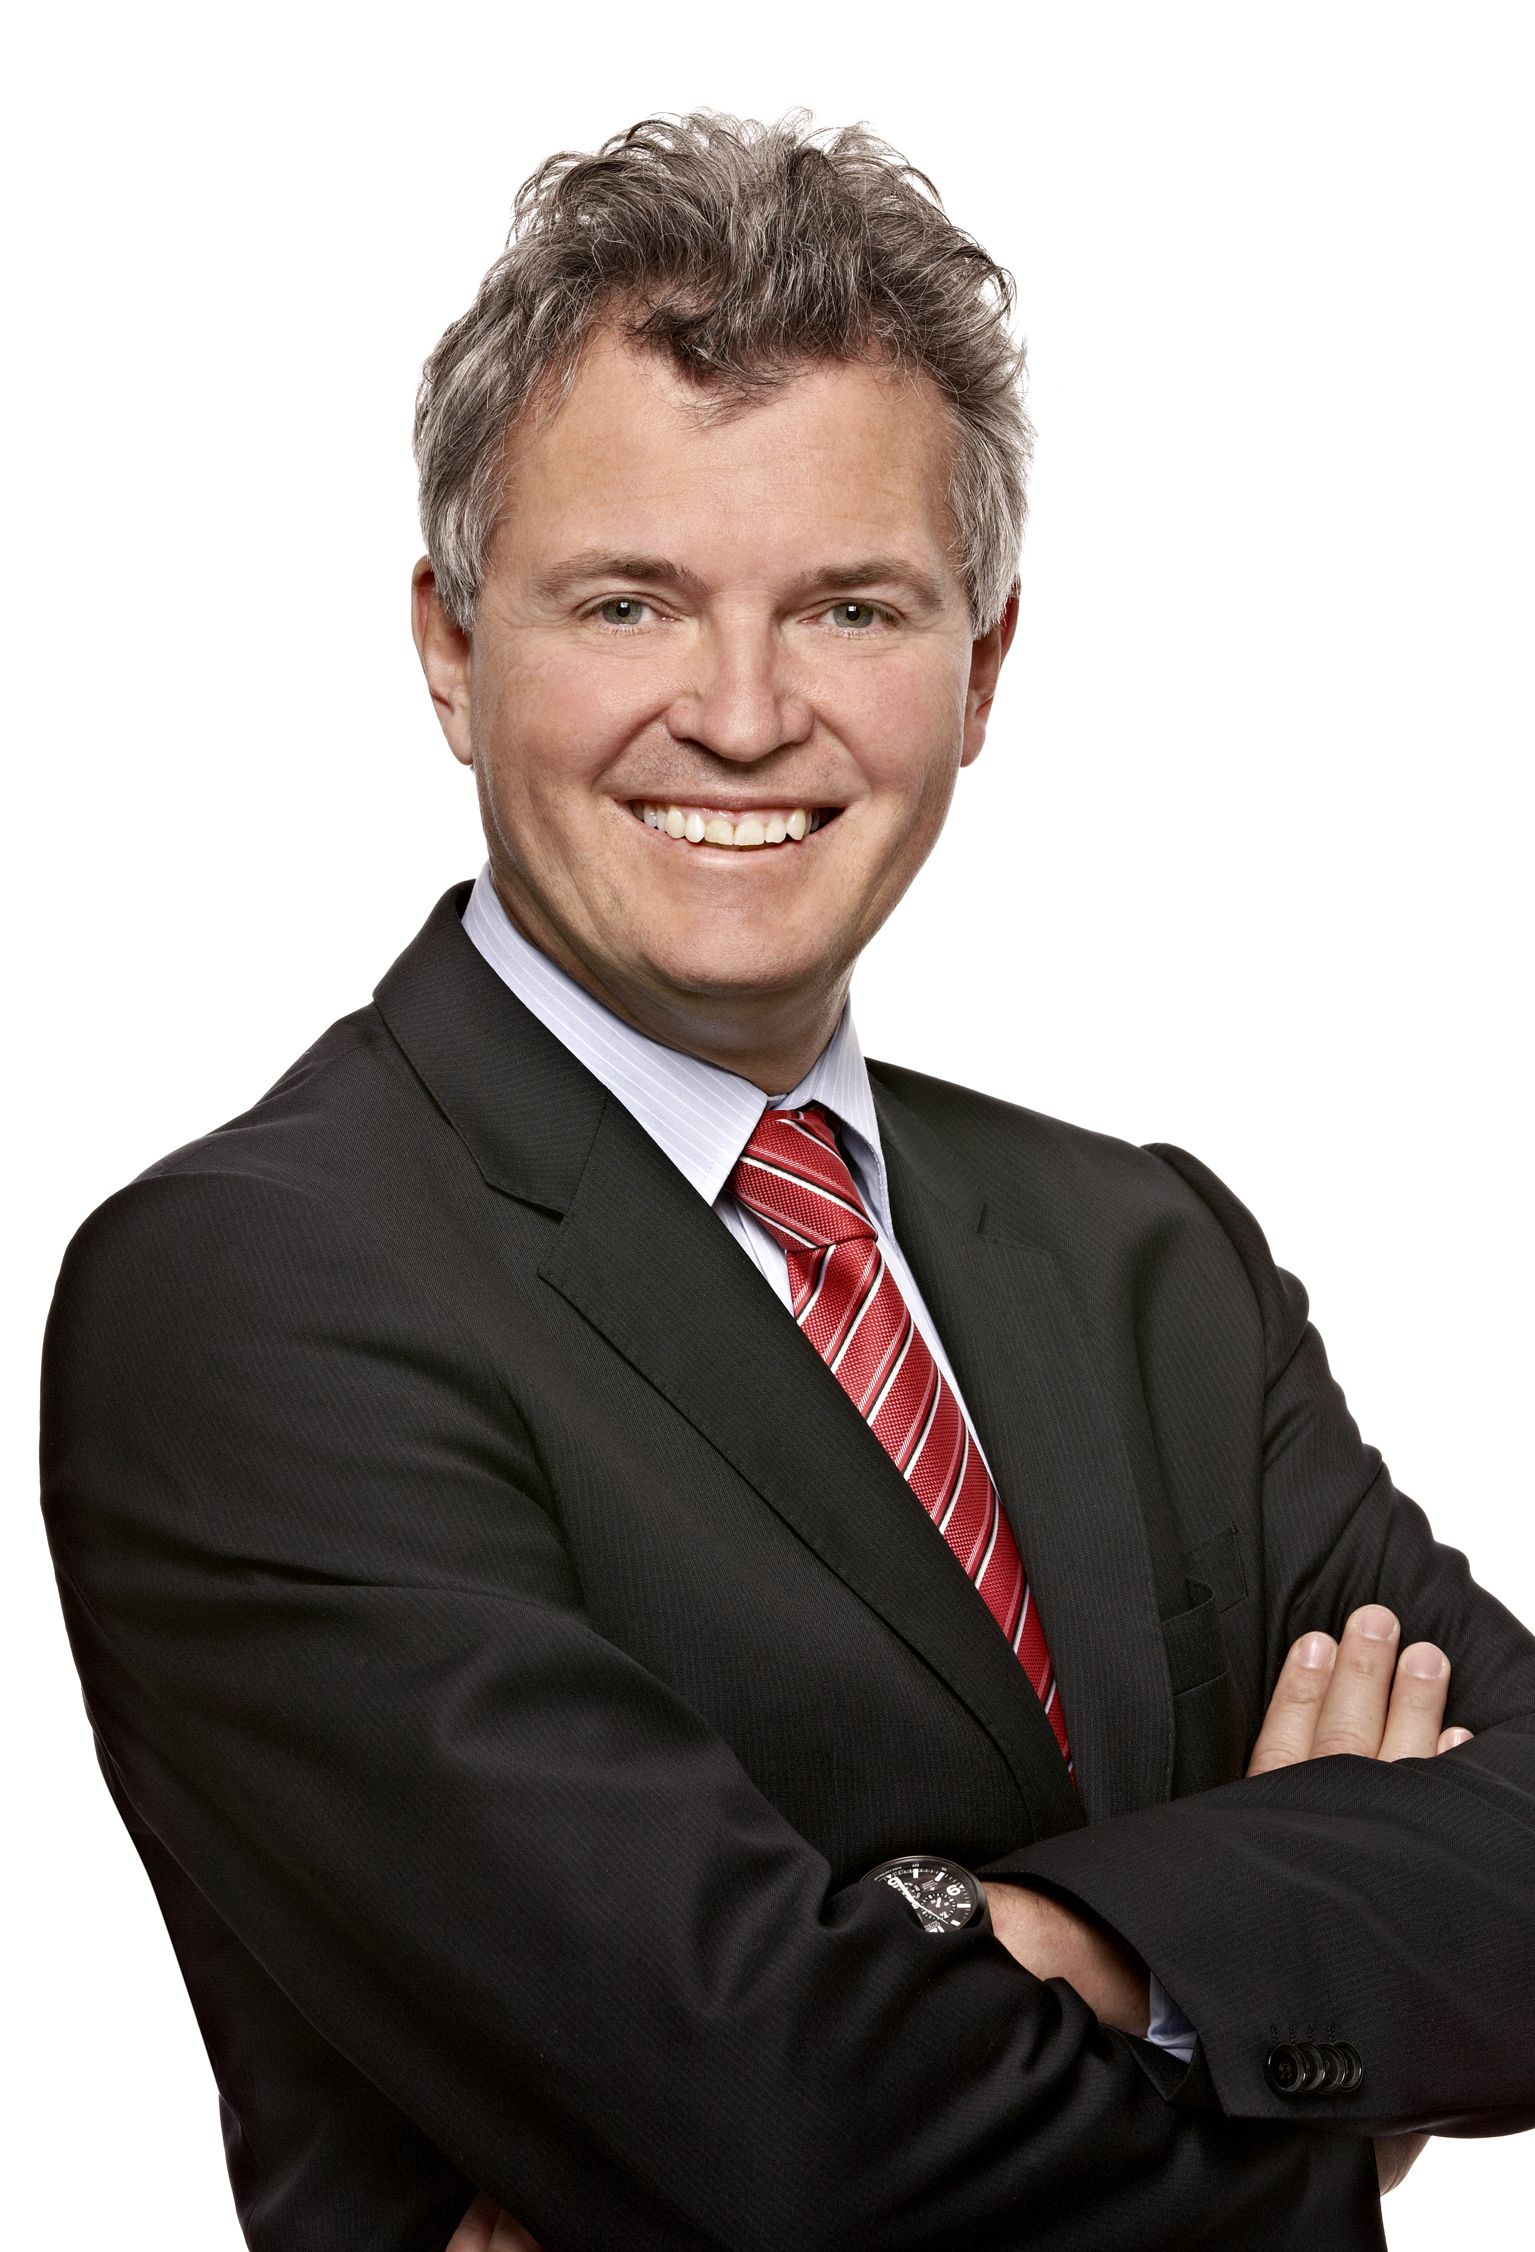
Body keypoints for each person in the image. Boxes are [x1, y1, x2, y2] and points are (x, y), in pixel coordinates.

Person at [39, 111, 1534, 2252]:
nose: (742, 717)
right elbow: (784, 2129)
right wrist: (1327, 2038)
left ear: (980, 668)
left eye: (848, 606)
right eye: (628, 601)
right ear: (450, 651)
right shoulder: (253, 1299)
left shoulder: (1151, 1259)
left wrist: (1058, 1946)